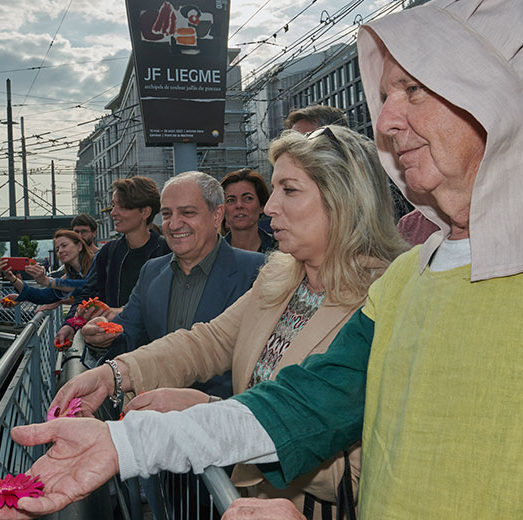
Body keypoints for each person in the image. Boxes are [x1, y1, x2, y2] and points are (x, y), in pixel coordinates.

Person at [0, 0, 523, 520]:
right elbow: (305, 404)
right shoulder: (411, 277)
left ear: (495, 97)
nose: (387, 119)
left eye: (413, 91)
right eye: (386, 94)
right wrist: (122, 443)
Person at [50, 126, 405, 515]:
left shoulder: (387, 298)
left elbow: (371, 460)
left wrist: (207, 408)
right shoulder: (279, 277)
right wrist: (116, 373)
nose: (269, 209)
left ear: (344, 200)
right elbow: (209, 341)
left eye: (289, 190)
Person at [80, 171, 265, 399]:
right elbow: (127, 335)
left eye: (187, 212)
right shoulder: (151, 272)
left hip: (226, 419)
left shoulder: (258, 272)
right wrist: (99, 336)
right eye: (167, 214)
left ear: (217, 215)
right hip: (157, 419)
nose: (174, 224)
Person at [55, 176, 170, 348]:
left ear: (145, 212)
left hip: (158, 349)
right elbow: (88, 294)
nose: (113, 212)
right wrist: (70, 325)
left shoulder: (168, 251)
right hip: (116, 346)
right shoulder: (108, 253)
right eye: (114, 205)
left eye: (121, 206)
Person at [0, 229, 96, 324]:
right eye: (57, 249)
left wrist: (48, 281)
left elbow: (88, 285)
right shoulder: (72, 274)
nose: (60, 251)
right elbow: (43, 296)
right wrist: (13, 279)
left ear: (79, 246)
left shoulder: (97, 263)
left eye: (64, 246)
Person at [220, 168, 276, 254]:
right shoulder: (212, 255)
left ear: (262, 206)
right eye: (231, 200)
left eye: (248, 198)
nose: (239, 205)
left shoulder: (281, 250)